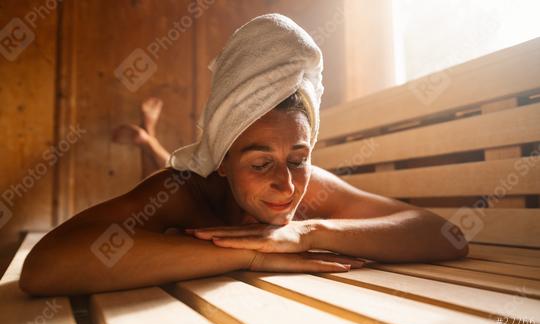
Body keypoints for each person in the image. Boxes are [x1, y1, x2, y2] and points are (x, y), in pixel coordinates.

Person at [19, 14, 468, 296]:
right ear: (221, 160)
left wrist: (306, 233)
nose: (287, 185)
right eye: (259, 163)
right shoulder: (182, 192)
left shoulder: (311, 195)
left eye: (297, 158)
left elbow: (444, 234)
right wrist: (250, 255)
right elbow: (44, 268)